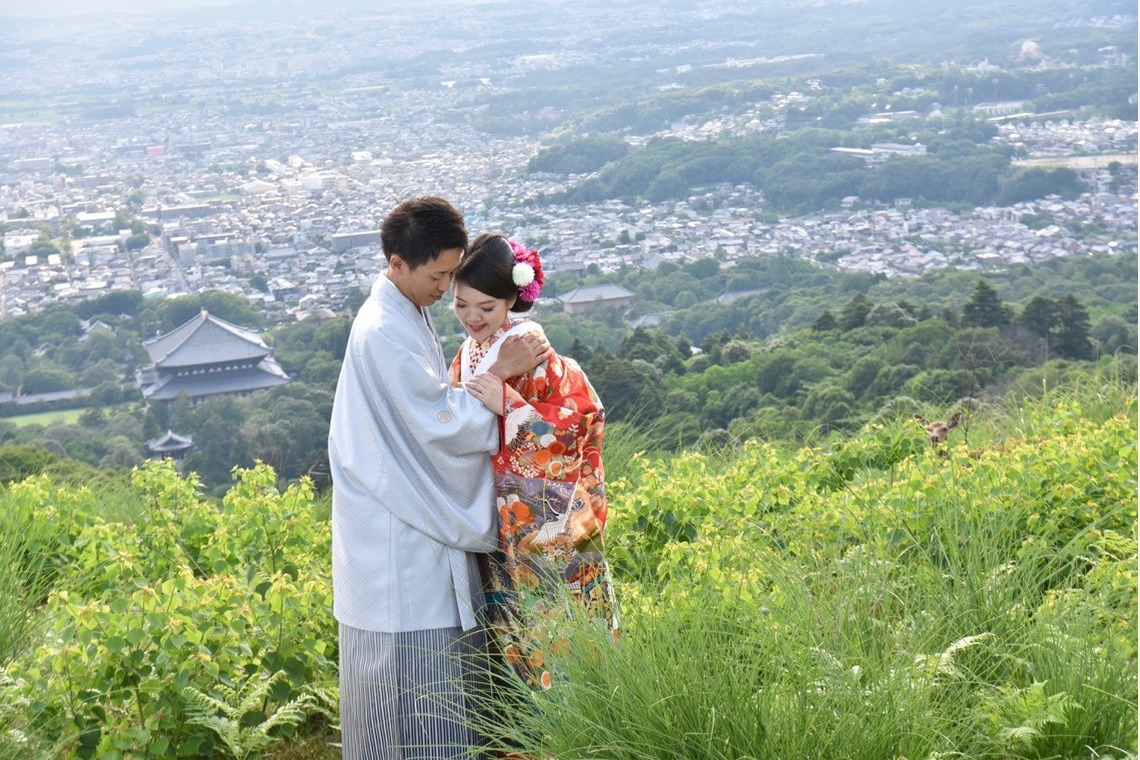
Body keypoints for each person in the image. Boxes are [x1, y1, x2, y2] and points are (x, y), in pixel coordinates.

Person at [328, 198, 549, 759]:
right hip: (398, 530)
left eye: (453, 274)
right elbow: (439, 426)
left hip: (397, 514)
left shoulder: (403, 311)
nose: (446, 289)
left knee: (408, 703)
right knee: (415, 697)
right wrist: (501, 372)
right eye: (439, 276)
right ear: (398, 263)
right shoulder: (384, 329)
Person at [450, 233, 618, 694]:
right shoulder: (469, 354)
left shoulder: (536, 356)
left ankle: (584, 727)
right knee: (514, 637)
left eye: (486, 307)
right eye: (461, 304)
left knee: (564, 634)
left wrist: (511, 405)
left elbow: (575, 428)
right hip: (501, 526)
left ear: (512, 299)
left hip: (550, 528)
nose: (472, 318)